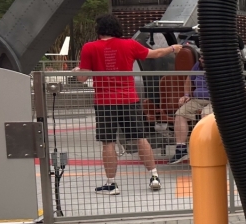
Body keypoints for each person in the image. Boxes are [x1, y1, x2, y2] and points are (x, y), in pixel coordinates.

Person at [74, 14, 181, 195]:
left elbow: (83, 78)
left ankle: (111, 183)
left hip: (104, 102)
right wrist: (173, 47)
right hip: (129, 99)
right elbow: (154, 54)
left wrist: (76, 70)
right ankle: (154, 176)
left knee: (108, 142)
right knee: (140, 138)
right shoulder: (129, 45)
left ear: (99, 30)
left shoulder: (89, 48)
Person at [171, 51, 212, 163]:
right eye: (200, 58)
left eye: (203, 58)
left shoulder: (219, 65)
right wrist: (186, 95)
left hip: (215, 100)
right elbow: (189, 80)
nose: (200, 60)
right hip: (197, 99)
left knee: (206, 115)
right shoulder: (198, 66)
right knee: (180, 114)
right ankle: (181, 150)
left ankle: (207, 149)